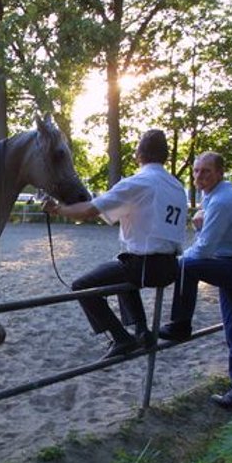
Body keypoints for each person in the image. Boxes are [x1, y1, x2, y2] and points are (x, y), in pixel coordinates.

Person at [43, 129, 187, 360]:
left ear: (139, 154)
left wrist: (57, 209)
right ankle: (141, 331)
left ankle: (121, 337)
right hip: (171, 266)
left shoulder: (137, 182)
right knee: (121, 264)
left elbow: (89, 211)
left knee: (81, 285)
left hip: (145, 266)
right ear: (165, 156)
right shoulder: (176, 186)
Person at [157, 152, 232, 417]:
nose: (199, 177)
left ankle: (181, 324)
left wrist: (177, 260)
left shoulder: (222, 200)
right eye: (196, 171)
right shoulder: (216, 195)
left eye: (206, 171)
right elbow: (211, 241)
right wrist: (200, 227)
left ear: (220, 173)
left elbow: (203, 250)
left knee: (186, 266)